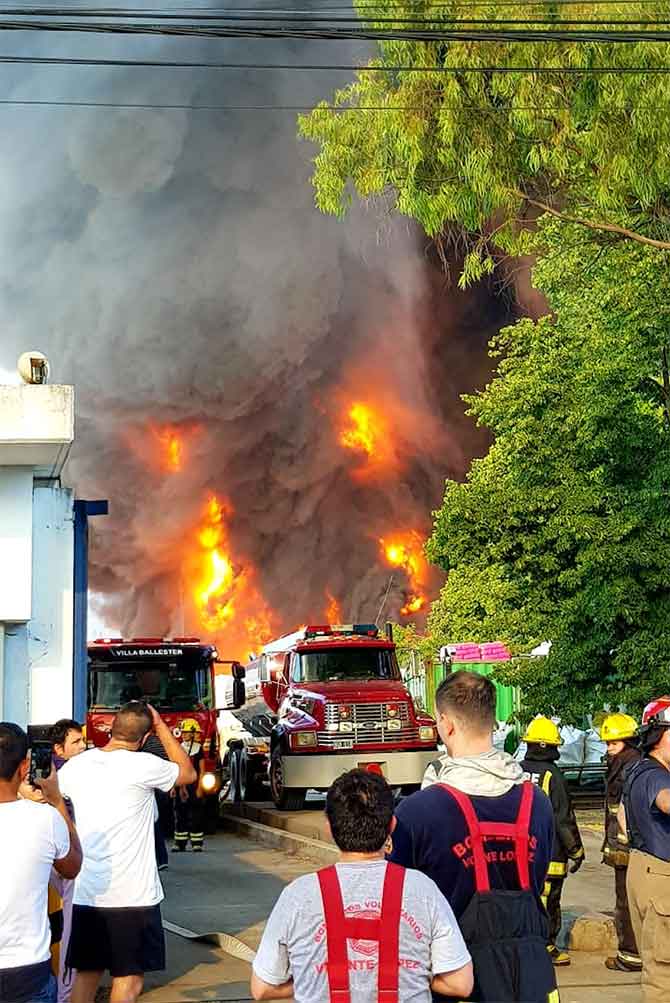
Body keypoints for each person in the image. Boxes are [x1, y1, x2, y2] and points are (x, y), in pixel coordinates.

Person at [391, 671, 558, 1003]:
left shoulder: (417, 812)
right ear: (492, 720)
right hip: (532, 979)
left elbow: (399, 910)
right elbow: (537, 881)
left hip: (457, 982)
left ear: (447, 724)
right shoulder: (537, 803)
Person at [251, 768, 473, 1003]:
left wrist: (313, 978)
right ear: (392, 825)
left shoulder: (298, 895)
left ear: (329, 827)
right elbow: (460, 983)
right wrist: (412, 972)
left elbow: (262, 988)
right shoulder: (423, 890)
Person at [58, 701, 196, 1003]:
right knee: (129, 980)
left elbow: (58, 797)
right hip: (133, 896)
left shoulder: (76, 765)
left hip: (88, 893)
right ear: (145, 737)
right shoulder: (145, 765)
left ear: (110, 728)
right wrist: (161, 726)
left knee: (87, 974)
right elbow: (187, 774)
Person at [0, 722, 82, 1003]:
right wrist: (57, 799)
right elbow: (72, 867)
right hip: (26, 971)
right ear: (25, 766)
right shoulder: (45, 819)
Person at [519, 716, 585, 966]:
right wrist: (576, 850)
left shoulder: (518, 771)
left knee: (525, 896)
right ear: (547, 746)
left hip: (519, 849)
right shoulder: (552, 775)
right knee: (548, 898)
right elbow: (562, 817)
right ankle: (545, 944)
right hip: (549, 852)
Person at [621, 696, 670, 1003]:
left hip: (644, 868)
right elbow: (666, 801)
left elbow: (623, 819)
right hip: (662, 878)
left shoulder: (636, 770)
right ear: (659, 735)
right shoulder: (656, 775)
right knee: (663, 978)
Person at [600, 712, 642, 973]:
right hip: (624, 846)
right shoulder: (625, 763)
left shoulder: (630, 766)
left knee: (627, 903)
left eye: (613, 743)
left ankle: (630, 955)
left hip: (629, 848)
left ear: (627, 741)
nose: (608, 749)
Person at [48, 720, 87, 1003]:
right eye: (76, 742)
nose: (83, 746)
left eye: (83, 740)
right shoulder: (62, 778)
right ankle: (66, 994)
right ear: (59, 749)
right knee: (71, 934)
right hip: (66, 864)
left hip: (66, 861)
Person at [172, 719, 206, 853]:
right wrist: (173, 787)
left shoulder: (199, 749)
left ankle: (196, 843)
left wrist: (200, 788)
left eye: (186, 732)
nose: (184, 735)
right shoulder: (179, 748)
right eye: (184, 732)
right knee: (179, 814)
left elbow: (202, 770)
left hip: (194, 786)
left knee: (196, 814)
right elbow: (175, 768)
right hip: (181, 785)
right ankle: (179, 843)